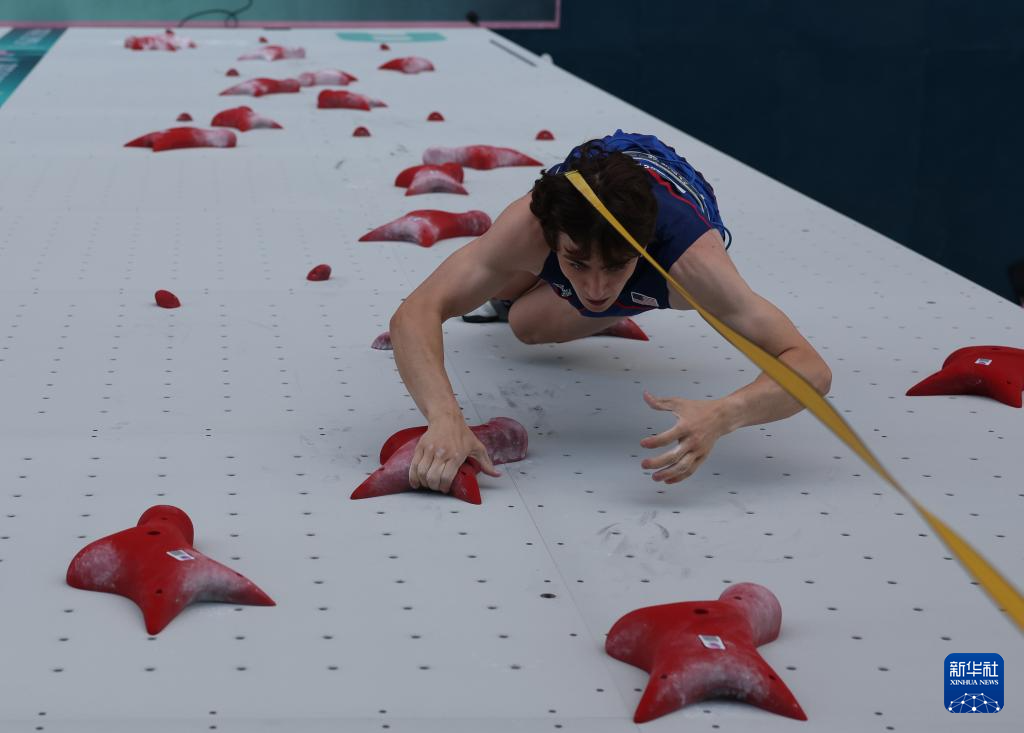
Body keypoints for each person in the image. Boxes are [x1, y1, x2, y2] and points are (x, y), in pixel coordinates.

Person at [388, 130, 832, 494]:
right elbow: (415, 312)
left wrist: (725, 414)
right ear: (552, 236)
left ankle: (624, 291)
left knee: (531, 324)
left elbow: (811, 368)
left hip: (668, 232)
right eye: (577, 263)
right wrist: (445, 418)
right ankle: (590, 282)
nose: (596, 289)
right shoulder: (528, 226)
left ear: (644, 248)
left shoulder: (693, 266)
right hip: (595, 184)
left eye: (617, 266)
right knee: (517, 314)